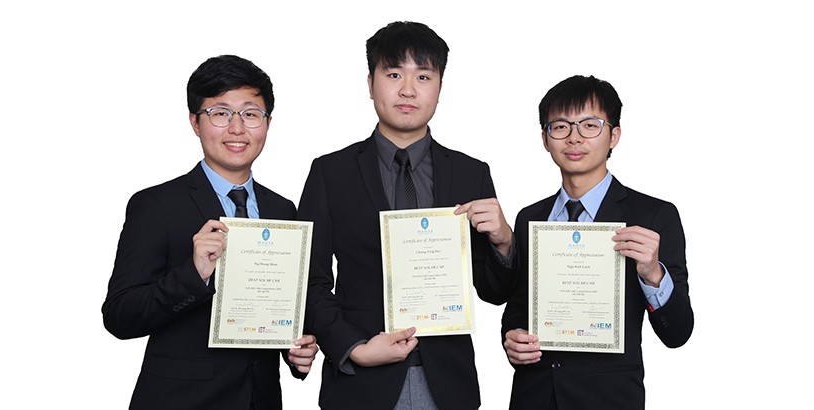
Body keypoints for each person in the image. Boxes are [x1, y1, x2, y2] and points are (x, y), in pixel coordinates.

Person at [296, 21, 516, 410]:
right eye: (394, 73)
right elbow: (310, 282)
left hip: (447, 382)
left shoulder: (471, 173)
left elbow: (491, 291)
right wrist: (354, 348)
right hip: (360, 383)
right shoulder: (330, 173)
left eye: (423, 75)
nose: (408, 89)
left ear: (440, 86)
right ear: (370, 83)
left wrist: (503, 241)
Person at [102, 55, 318, 410]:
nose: (237, 128)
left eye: (250, 114)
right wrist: (194, 274)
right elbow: (119, 316)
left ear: (267, 122)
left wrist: (297, 349)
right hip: (181, 401)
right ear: (195, 122)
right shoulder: (156, 205)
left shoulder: (283, 211)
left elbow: (276, 309)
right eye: (220, 113)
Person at [499, 75, 694, 409]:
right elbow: (518, 308)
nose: (574, 138)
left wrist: (653, 275)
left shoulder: (653, 216)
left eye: (590, 125)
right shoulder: (529, 217)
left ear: (613, 136)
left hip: (609, 400)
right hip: (534, 397)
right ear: (545, 139)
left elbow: (677, 333)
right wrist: (513, 338)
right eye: (560, 126)